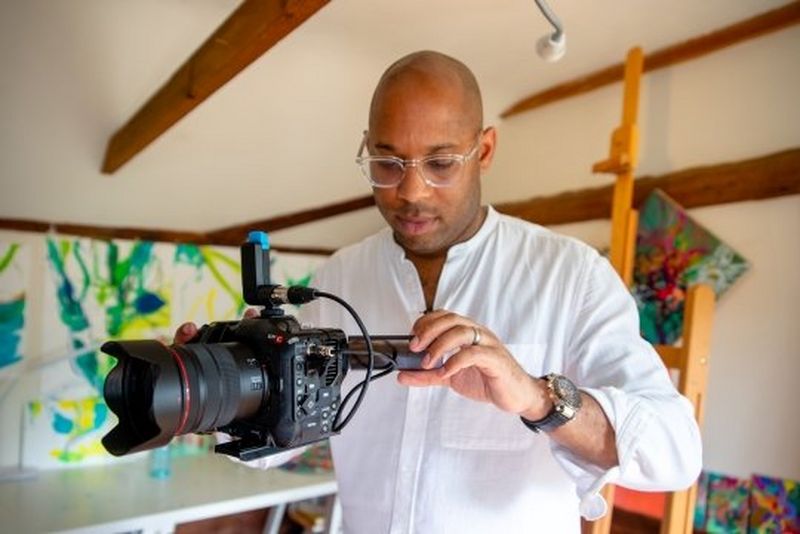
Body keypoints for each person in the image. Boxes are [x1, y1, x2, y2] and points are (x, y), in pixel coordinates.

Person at [177, 51, 701, 533]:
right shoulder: (335, 282)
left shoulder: (572, 276)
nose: (411, 191)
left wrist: (536, 397)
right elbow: (278, 439)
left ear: (485, 150)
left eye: (441, 163)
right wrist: (213, 393)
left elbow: (674, 454)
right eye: (387, 163)